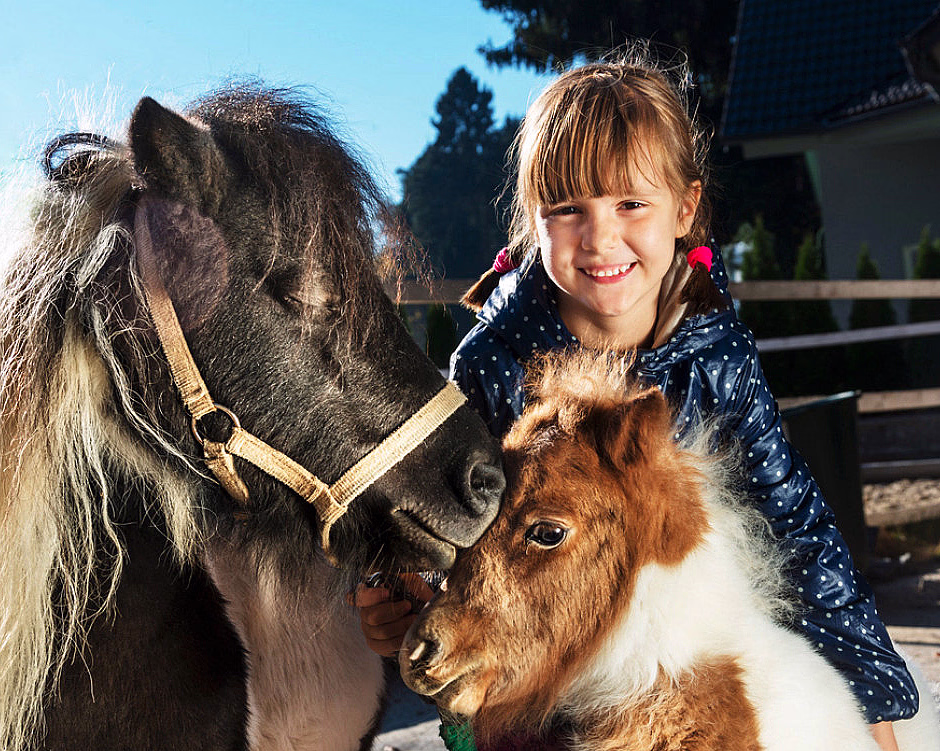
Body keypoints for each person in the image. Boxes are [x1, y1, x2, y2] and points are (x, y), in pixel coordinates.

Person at [353, 46, 916, 751]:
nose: (601, 236)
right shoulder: (493, 366)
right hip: (537, 677)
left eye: (630, 203)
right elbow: (444, 522)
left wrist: (869, 701)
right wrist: (399, 589)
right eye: (566, 208)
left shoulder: (716, 356)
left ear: (684, 210)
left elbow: (795, 524)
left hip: (667, 663)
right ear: (533, 220)